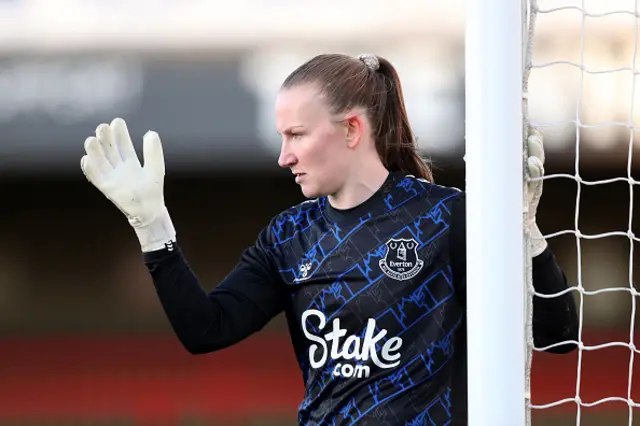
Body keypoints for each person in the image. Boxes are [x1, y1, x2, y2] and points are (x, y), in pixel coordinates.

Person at [80, 53, 579, 426]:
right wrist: (153, 228)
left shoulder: (444, 217)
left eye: (296, 135)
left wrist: (525, 235)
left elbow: (558, 335)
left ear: (352, 129)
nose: (284, 156)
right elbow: (206, 330)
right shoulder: (289, 237)